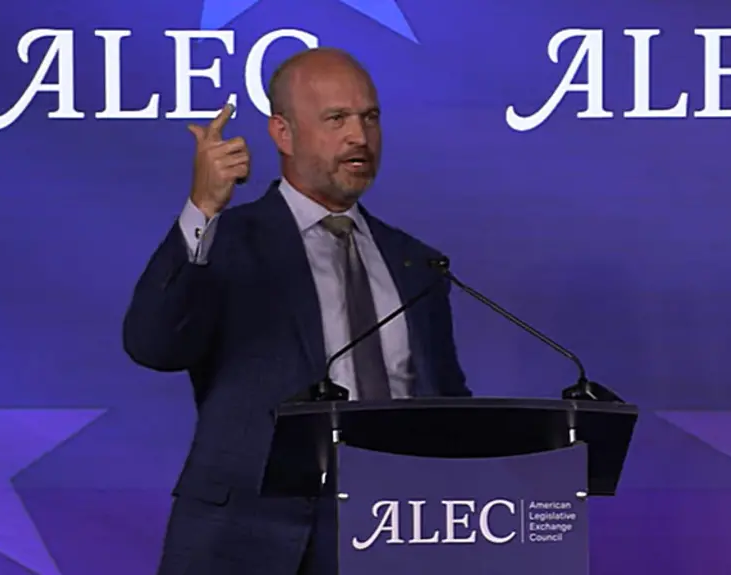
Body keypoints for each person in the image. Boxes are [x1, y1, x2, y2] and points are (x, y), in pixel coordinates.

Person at [122, 47, 471, 575]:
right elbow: (154, 344)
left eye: (370, 118)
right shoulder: (228, 241)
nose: (360, 137)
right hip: (246, 543)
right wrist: (203, 210)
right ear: (282, 134)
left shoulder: (416, 262)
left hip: (396, 538)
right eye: (336, 119)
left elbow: (446, 402)